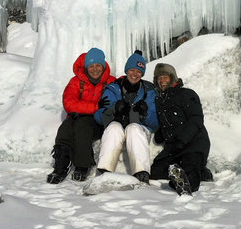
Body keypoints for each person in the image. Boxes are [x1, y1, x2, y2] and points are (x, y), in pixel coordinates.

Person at [47, 47, 115, 184]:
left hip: (99, 122)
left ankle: (82, 166)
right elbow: (69, 103)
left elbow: (111, 104)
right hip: (78, 118)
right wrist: (95, 107)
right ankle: (61, 166)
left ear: (103, 66)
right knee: (65, 129)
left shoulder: (111, 82)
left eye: (98, 65)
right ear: (86, 67)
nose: (95, 69)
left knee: (82, 125)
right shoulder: (76, 81)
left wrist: (83, 109)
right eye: (91, 66)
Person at [94, 50, 158, 182]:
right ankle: (104, 172)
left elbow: (156, 122)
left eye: (139, 72)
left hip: (139, 130)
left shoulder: (149, 91)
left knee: (133, 128)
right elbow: (98, 117)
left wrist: (145, 114)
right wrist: (114, 110)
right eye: (132, 70)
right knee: (114, 127)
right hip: (118, 129)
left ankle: (141, 173)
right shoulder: (113, 88)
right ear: (126, 70)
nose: (135, 74)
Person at [148, 62, 211, 196]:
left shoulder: (187, 94)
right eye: (159, 78)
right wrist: (160, 134)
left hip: (194, 142)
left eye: (165, 77)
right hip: (173, 147)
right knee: (156, 171)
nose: (162, 81)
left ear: (172, 78)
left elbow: (196, 119)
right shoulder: (160, 100)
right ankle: (197, 172)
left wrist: (182, 140)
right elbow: (166, 122)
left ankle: (186, 183)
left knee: (189, 167)